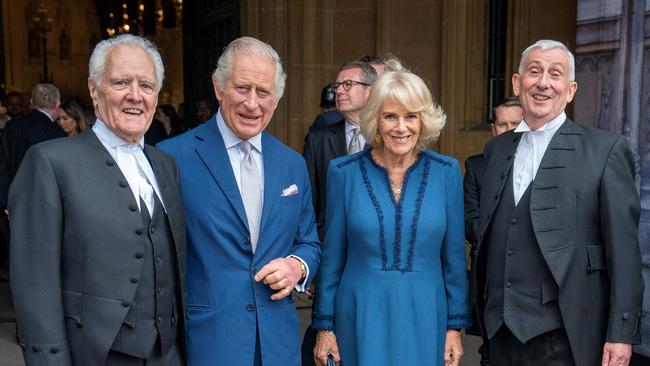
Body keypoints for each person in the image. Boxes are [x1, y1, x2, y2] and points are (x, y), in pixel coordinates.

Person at [10, 34, 187, 365]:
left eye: (146, 86)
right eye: (121, 82)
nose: (135, 96)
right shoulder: (49, 162)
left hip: (168, 355)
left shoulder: (166, 165)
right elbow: (35, 284)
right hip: (93, 355)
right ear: (94, 89)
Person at [472, 40, 643, 366]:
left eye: (555, 74)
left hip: (566, 335)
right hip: (498, 334)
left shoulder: (605, 150)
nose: (543, 82)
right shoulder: (496, 151)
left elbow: (624, 250)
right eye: (534, 72)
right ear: (516, 83)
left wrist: (621, 333)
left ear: (571, 89)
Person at [158, 36, 320, 366]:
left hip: (278, 344)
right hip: (208, 340)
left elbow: (309, 242)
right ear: (219, 88)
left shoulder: (292, 163)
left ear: (276, 99)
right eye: (242, 88)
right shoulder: (173, 158)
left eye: (263, 92)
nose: (252, 103)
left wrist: (296, 266)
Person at [312, 70, 469, 366]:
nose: (401, 127)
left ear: (423, 121)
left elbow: (454, 260)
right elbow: (332, 256)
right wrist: (325, 327)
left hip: (426, 316)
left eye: (411, 116)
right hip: (359, 314)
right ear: (375, 121)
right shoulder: (342, 173)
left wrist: (454, 327)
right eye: (390, 116)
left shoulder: (446, 172)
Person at [301, 60, 378, 366]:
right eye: (337, 86)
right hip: (330, 250)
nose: (339, 92)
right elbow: (309, 202)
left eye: (348, 85)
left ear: (370, 91)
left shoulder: (387, 136)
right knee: (327, 336)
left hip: (372, 254)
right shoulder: (321, 138)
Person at [463, 96, 522, 365]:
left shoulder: (544, 165)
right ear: (493, 129)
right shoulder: (475, 167)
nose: (509, 130)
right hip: (488, 279)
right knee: (491, 354)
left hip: (532, 284)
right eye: (502, 124)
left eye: (515, 123)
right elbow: (471, 226)